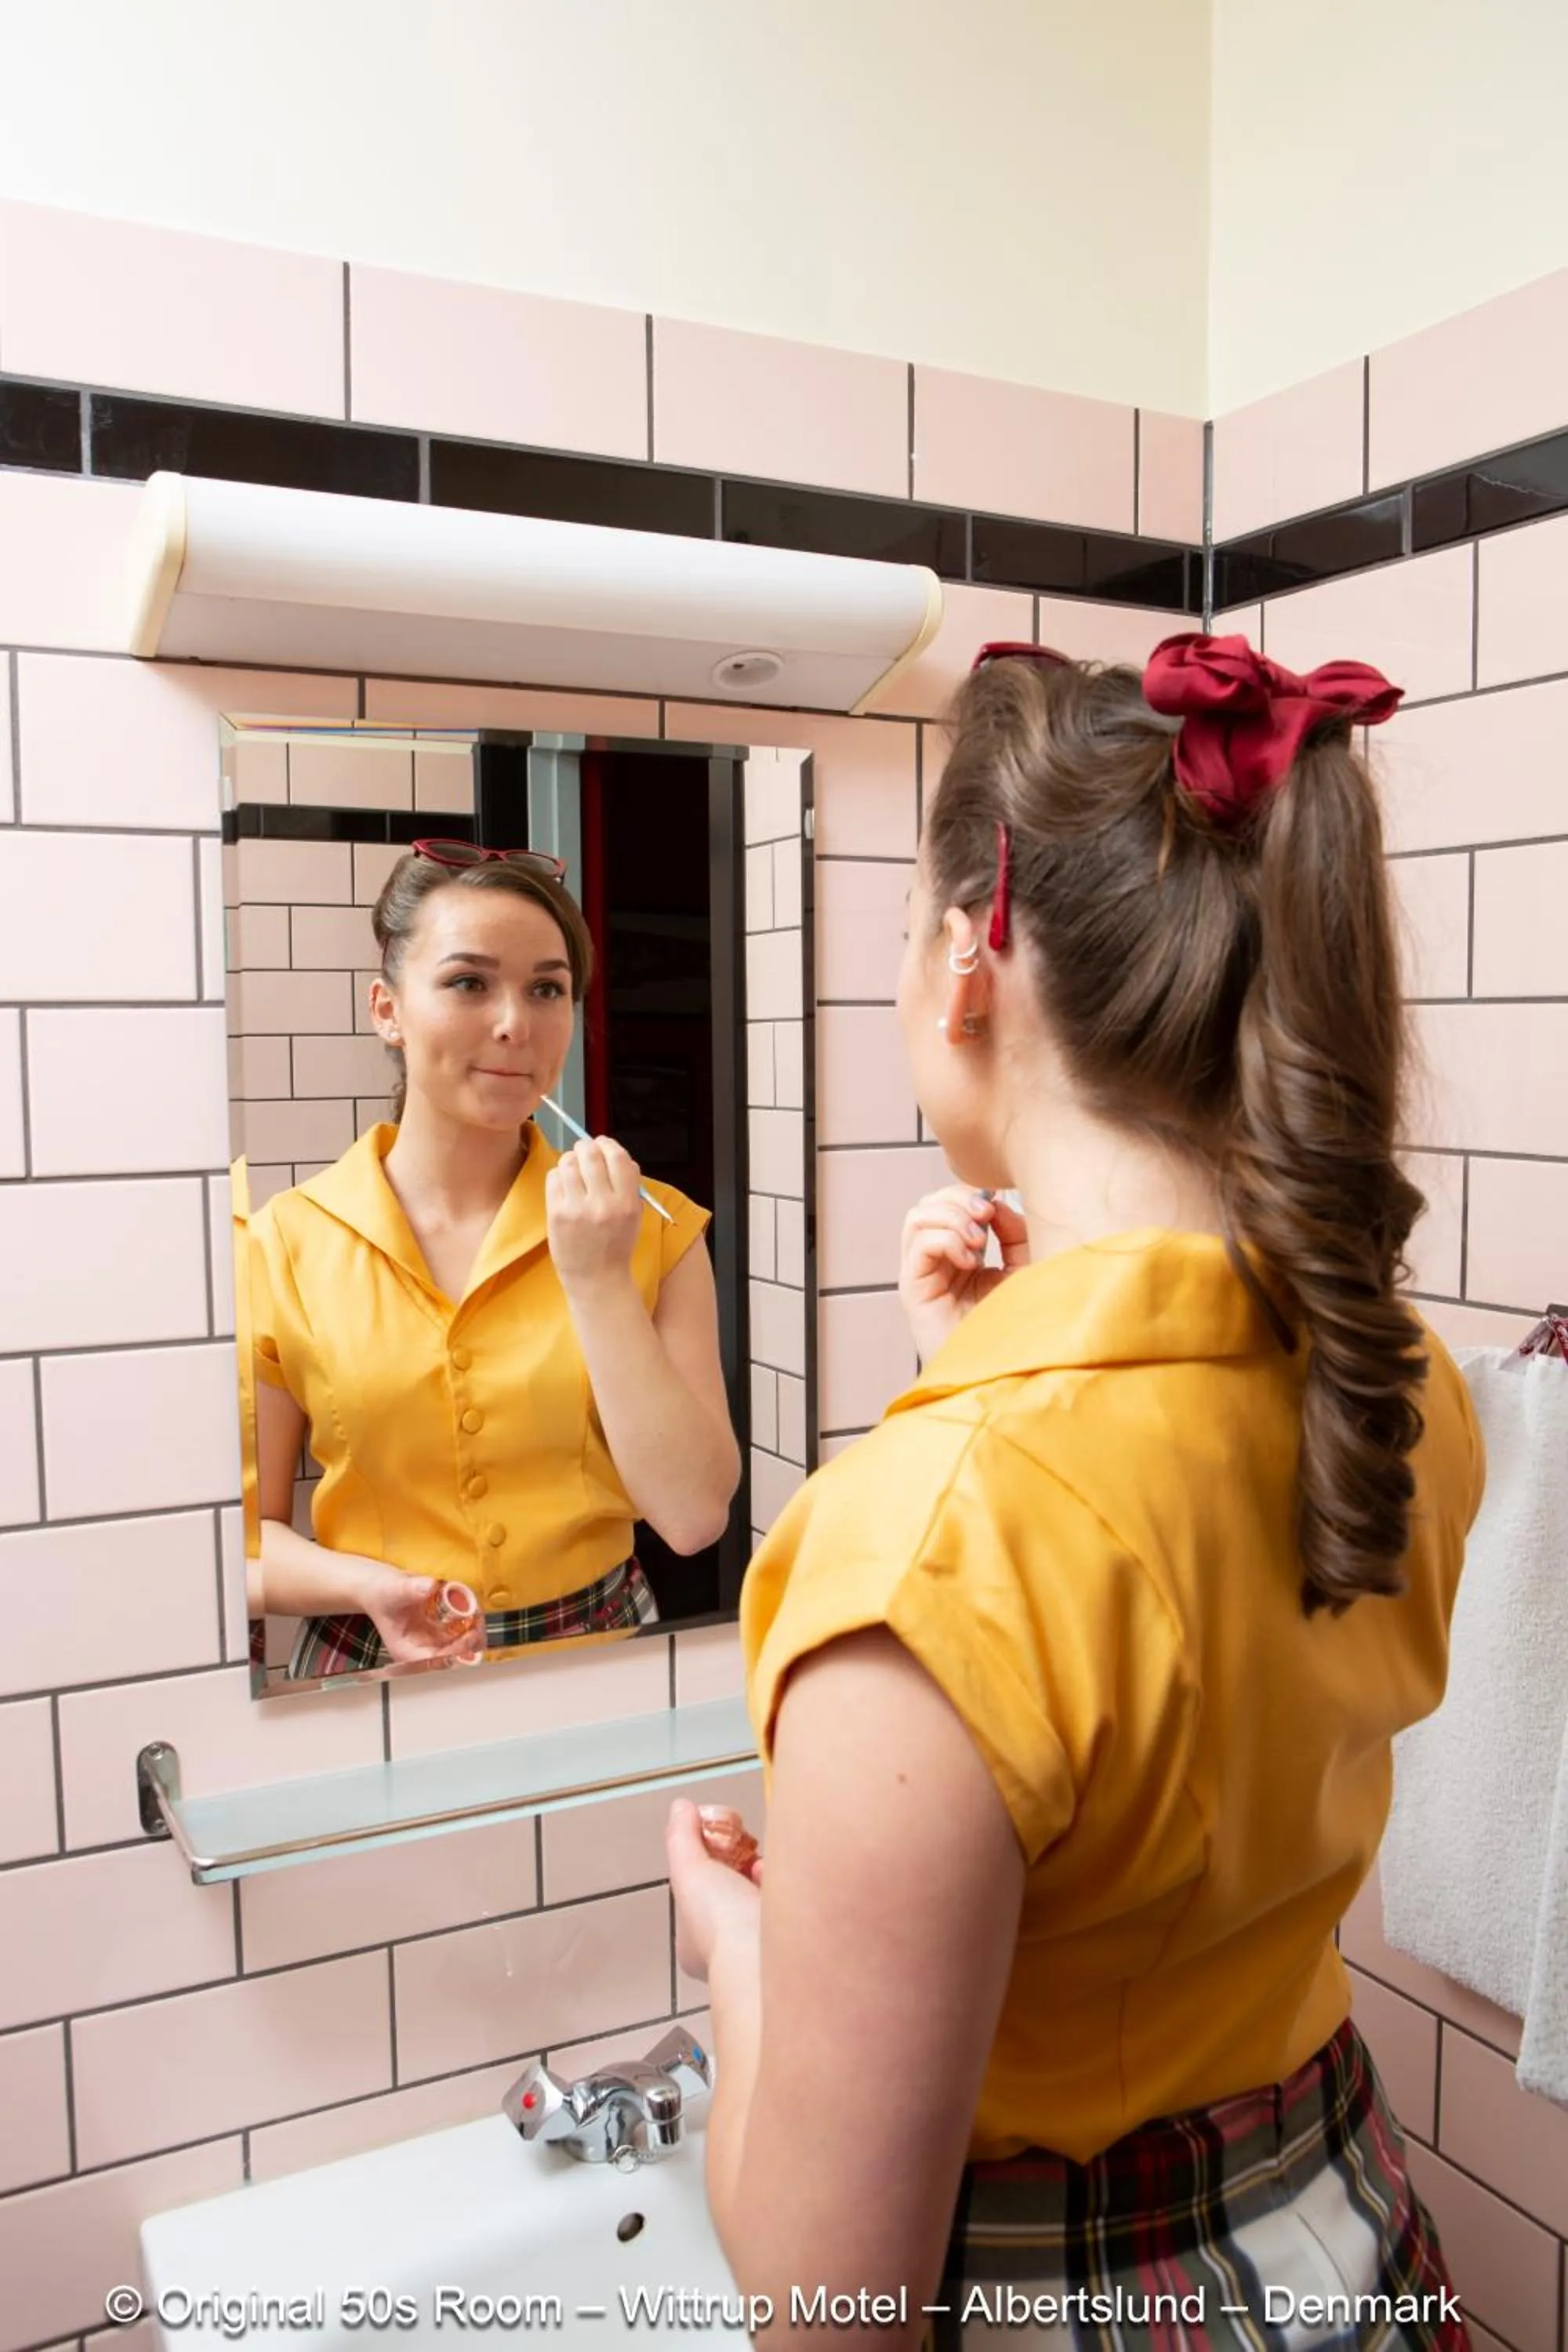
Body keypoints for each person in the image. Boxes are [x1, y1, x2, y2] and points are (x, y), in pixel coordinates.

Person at [666, 635, 1482, 2350]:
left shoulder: (927, 1553)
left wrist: (745, 1955)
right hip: (1348, 2246)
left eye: (909, 924)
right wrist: (989, 1371)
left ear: (973, 958)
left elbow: (830, 2319)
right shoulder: (1393, 1383)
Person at [246, 839, 741, 1679]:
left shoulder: (653, 1229)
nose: (515, 1024)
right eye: (468, 983)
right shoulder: (285, 1242)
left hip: (603, 1666)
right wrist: (366, 1586)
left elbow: (693, 1517)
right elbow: (240, 1544)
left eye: (547, 989)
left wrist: (598, 1281)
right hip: (372, 1669)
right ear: (387, 1010)